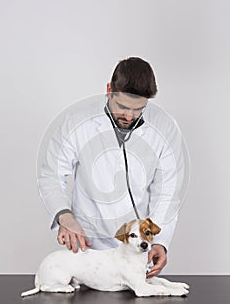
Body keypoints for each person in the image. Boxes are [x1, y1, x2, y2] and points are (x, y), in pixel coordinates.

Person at [38, 57, 186, 277]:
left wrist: (160, 242)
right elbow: (51, 175)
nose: (129, 116)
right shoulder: (76, 121)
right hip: (88, 250)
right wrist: (64, 217)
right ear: (109, 90)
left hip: (138, 254)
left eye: (138, 110)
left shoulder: (165, 127)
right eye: (123, 107)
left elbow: (167, 193)